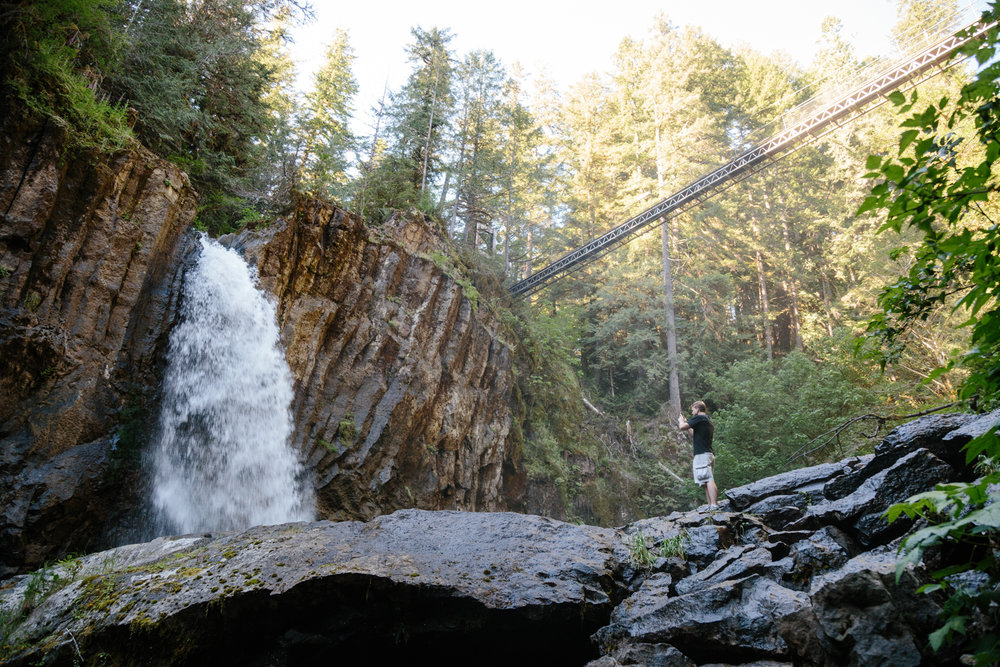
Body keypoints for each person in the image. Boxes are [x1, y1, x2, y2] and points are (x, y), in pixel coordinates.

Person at [678, 401, 719, 509]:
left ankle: (714, 505)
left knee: (708, 479)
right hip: (707, 453)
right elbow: (693, 434)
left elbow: (682, 427)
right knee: (704, 480)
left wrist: (681, 421)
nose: (692, 412)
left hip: (702, 454)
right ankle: (710, 505)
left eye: (692, 410)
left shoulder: (699, 418)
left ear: (697, 409)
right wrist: (688, 423)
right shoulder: (706, 420)